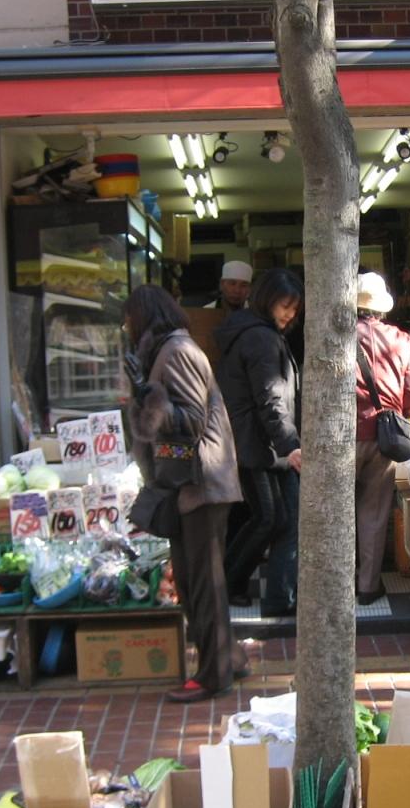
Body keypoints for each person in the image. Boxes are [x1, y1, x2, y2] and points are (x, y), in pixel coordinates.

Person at [125, 285, 246, 703]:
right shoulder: (164, 351)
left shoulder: (177, 351)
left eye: (129, 319)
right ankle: (229, 659)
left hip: (201, 484)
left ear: (144, 317)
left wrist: (148, 396)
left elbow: (192, 420)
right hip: (187, 485)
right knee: (197, 581)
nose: (126, 327)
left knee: (201, 584)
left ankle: (214, 676)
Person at [215, 268, 303, 617]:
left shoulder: (253, 332)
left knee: (273, 518)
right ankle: (233, 583)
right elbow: (271, 397)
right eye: (285, 306)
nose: (290, 314)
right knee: (271, 518)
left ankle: (235, 584)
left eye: (294, 308)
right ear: (267, 301)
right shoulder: (261, 339)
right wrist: (290, 444)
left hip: (255, 442)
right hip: (257, 445)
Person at [354, 272, 410, 605]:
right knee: (374, 513)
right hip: (383, 437)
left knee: (336, 511)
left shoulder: (336, 336)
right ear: (382, 308)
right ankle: (368, 586)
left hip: (341, 435)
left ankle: (337, 583)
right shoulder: (401, 339)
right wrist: (399, 412)